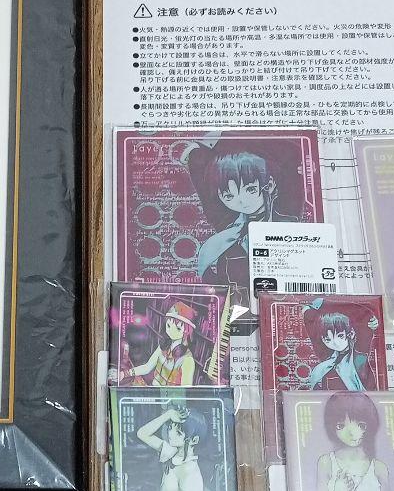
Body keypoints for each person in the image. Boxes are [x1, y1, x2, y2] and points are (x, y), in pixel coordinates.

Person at [194, 151, 295, 289]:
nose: (241, 201)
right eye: (229, 196)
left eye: (250, 189)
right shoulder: (225, 238)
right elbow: (209, 281)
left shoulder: (289, 226)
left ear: (270, 184)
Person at [136, 403, 208, 491]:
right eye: (170, 428)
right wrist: (168, 415)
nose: (171, 434)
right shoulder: (171, 452)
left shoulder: (191, 473)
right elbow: (142, 434)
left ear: (194, 440)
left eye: (178, 432)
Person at [302, 299, 379, 390]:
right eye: (328, 339)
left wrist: (370, 320)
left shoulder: (358, 355)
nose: (335, 343)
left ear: (351, 334)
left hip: (360, 397)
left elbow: (363, 321)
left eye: (340, 336)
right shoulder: (326, 359)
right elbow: (313, 333)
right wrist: (307, 310)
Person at [123, 301, 198, 386]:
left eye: (178, 328)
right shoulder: (164, 346)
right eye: (168, 325)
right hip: (154, 389)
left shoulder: (188, 360)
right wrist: (125, 374)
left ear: (187, 331)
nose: (171, 331)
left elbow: (186, 390)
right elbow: (147, 367)